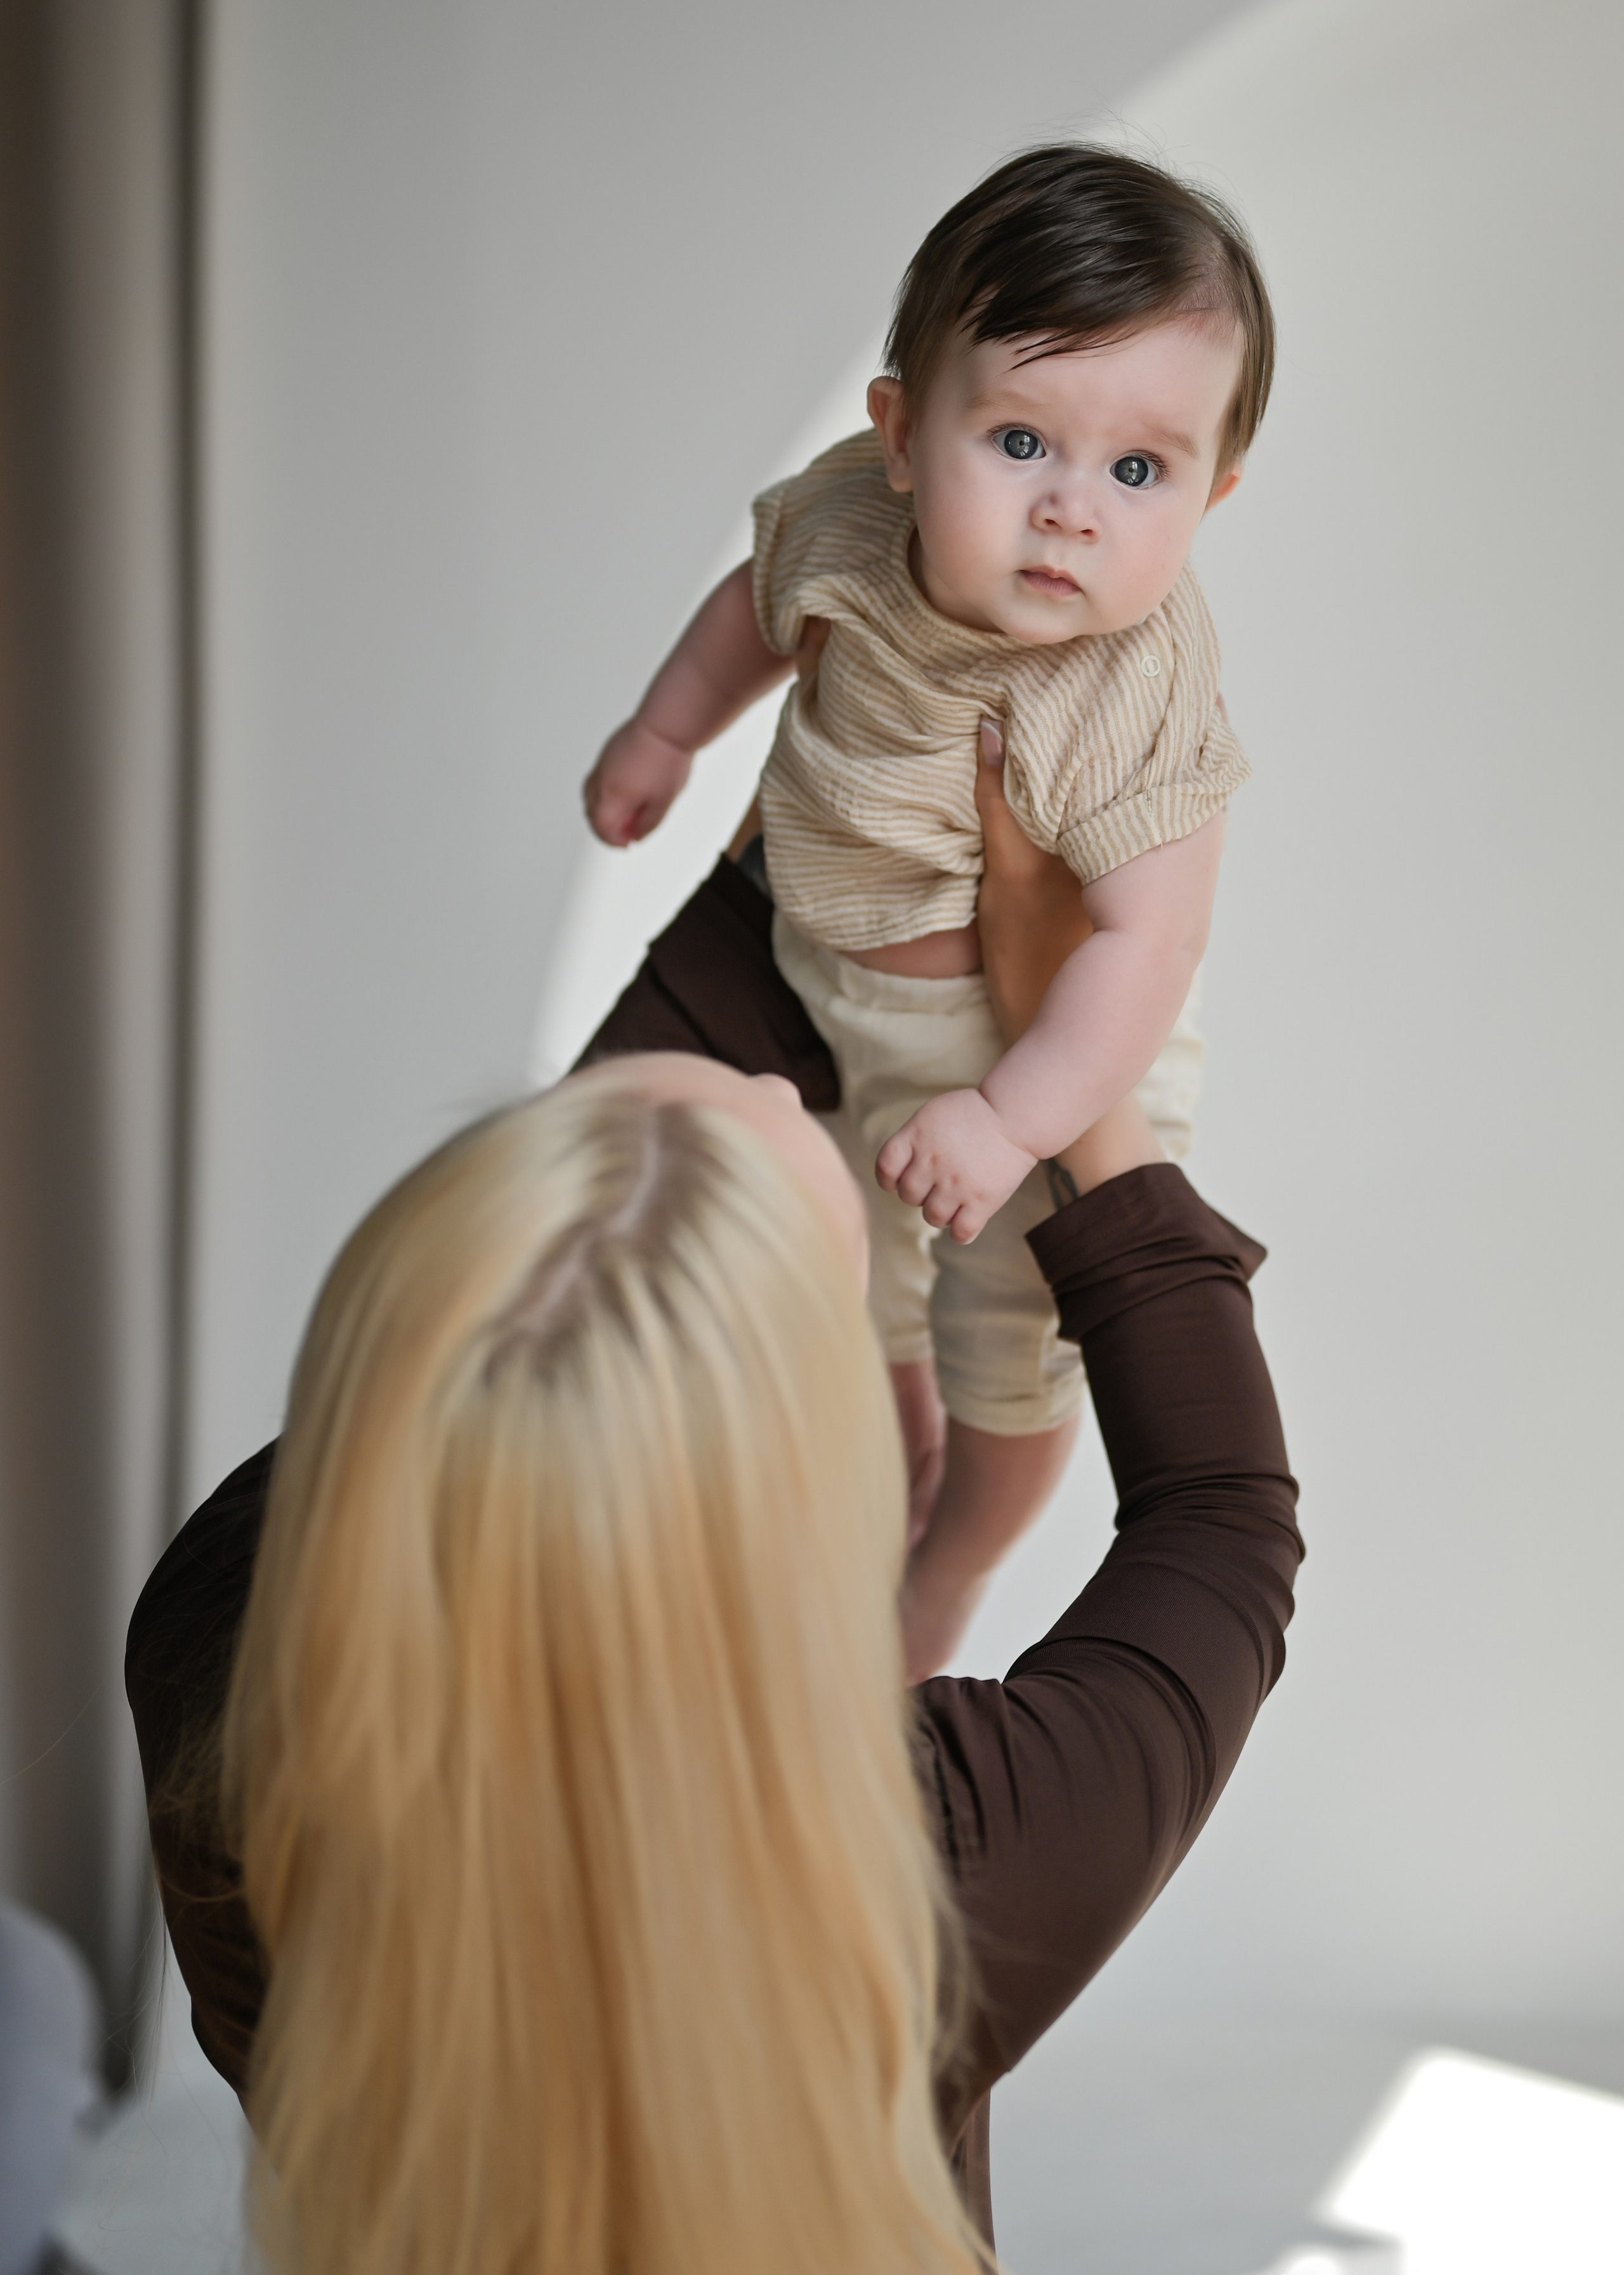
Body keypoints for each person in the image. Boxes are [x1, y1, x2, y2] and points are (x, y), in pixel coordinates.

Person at [126, 744, 1300, 2273]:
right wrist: (1079, 1075)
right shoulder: (931, 1864)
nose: (774, 1075)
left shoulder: (218, 1655)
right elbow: (1220, 1517)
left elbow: (549, 1273)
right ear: (809, 1462)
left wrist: (809, 852)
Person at [584, 143, 1274, 1674]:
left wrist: (1015, 1119)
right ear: (897, 433)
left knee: (1003, 1363)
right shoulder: (846, 521)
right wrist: (663, 732)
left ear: (1212, 491)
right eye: (1019, 437)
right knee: (848, 1279)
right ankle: (880, 1446)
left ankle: (947, 1566)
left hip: (1031, 1062)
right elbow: (754, 610)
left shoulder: (1131, 678)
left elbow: (1143, 943)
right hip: (823, 986)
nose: (1069, 514)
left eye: (1138, 471)